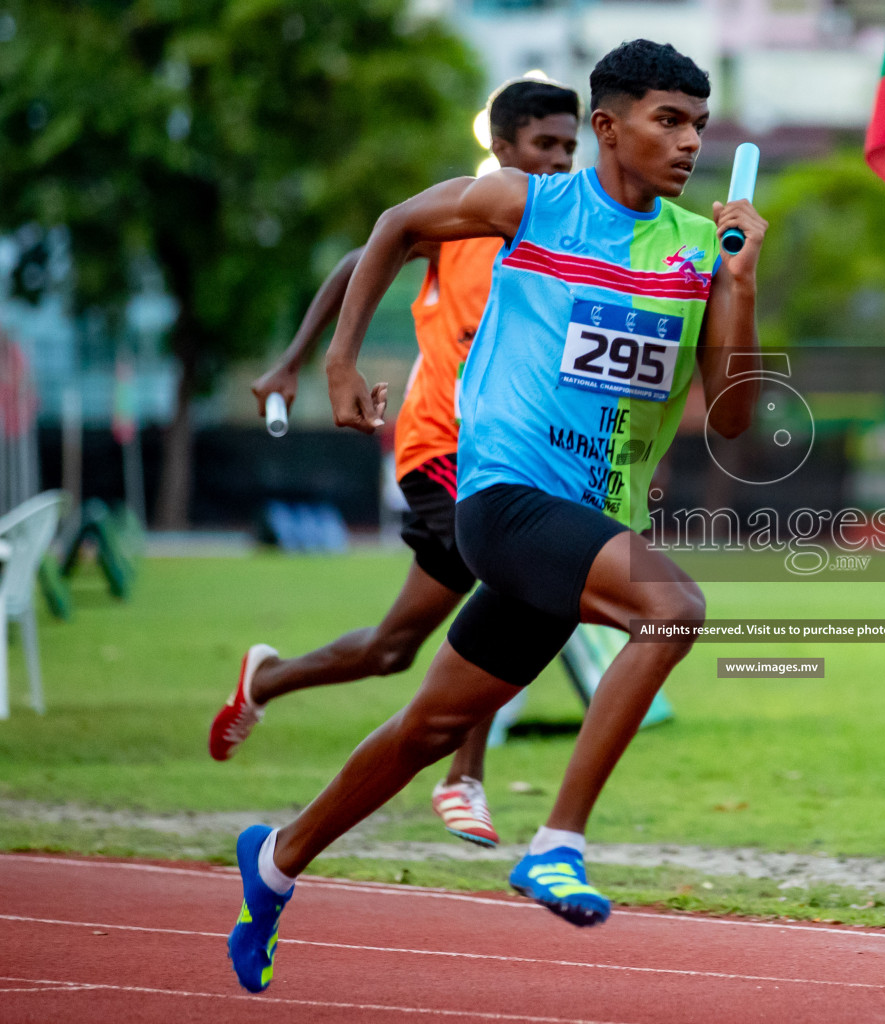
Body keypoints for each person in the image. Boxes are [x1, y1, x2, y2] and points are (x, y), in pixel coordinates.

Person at [226, 39, 767, 993]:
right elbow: (393, 225)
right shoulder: (533, 203)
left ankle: (275, 861)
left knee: (429, 728)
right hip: (507, 497)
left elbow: (730, 420)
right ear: (608, 126)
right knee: (673, 610)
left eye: (698, 126)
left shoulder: (696, 248)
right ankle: (558, 842)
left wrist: (741, 284)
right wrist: (341, 363)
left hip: (585, 521)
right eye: (667, 121)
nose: (688, 142)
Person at [209, 78, 581, 850]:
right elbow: (359, 258)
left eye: (569, 147)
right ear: (502, 147)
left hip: (517, 454)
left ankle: (266, 679)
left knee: (393, 649)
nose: (558, 160)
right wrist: (301, 362)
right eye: (545, 144)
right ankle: (464, 776)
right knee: (516, 578)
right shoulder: (475, 215)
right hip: (441, 446)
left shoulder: (567, 235)